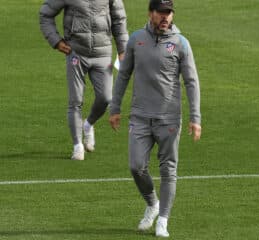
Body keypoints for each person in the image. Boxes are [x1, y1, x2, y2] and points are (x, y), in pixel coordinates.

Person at [109, 0, 201, 237]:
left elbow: (192, 82)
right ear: (150, 13)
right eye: (160, 13)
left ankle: (163, 219)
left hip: (169, 119)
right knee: (136, 166)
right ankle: (152, 203)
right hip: (140, 117)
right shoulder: (136, 40)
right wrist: (115, 107)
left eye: (168, 13)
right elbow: (123, 75)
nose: (165, 17)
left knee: (168, 169)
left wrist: (195, 117)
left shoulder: (181, 44)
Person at [39, 0, 129, 160]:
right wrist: (56, 41)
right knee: (75, 101)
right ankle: (77, 146)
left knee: (106, 98)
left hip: (103, 53)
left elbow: (119, 19)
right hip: (76, 52)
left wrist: (123, 49)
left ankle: (88, 124)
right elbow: (46, 14)